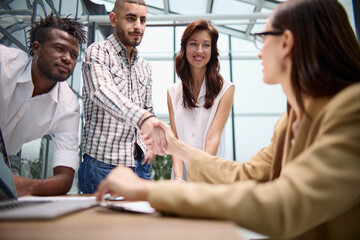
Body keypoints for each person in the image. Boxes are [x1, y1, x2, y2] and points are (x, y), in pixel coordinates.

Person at [95, 0, 360, 239]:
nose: (258, 52)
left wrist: (146, 191)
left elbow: (283, 204)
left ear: (286, 43)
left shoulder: (353, 109)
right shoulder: (289, 122)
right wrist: (176, 146)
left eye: (263, 37)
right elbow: (244, 175)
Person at [79, 0, 166, 194]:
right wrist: (145, 119)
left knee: (144, 224)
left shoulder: (144, 66)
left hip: (140, 165)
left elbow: (148, 108)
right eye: (130, 18)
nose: (138, 26)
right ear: (113, 19)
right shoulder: (98, 52)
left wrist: (149, 147)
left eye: (142, 20)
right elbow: (103, 92)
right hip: (103, 166)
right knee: (101, 224)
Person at [0, 13, 87, 196]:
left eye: (74, 54)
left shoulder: (68, 108)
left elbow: (64, 179)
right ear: (37, 48)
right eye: (59, 48)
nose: (68, 59)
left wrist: (24, 186)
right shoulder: (3, 64)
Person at [168, 19, 235, 181]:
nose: (199, 50)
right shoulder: (172, 92)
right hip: (180, 178)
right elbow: (174, 140)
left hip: (209, 176)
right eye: (193, 44)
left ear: (212, 50)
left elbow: (213, 137)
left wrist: (197, 176)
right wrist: (178, 178)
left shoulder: (226, 89)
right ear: (184, 48)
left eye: (206, 45)